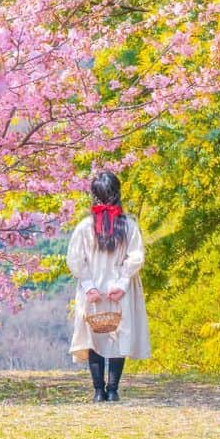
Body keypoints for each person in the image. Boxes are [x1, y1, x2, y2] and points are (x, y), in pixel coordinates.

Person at [66, 170, 151, 402]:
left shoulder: (85, 226)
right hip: (119, 293)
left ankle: (98, 391)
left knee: (94, 335)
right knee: (117, 334)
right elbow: (136, 256)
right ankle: (112, 390)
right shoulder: (129, 226)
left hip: (92, 291)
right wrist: (123, 282)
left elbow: (75, 259)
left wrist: (89, 285)